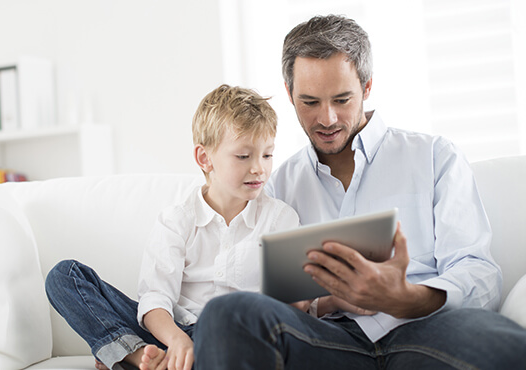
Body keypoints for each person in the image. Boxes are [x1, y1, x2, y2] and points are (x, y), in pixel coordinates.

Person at [193, 15, 526, 369]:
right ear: (289, 94)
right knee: (228, 313)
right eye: (310, 102)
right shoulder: (276, 184)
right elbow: (262, 290)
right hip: (326, 340)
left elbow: (479, 273)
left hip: (426, 326)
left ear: (366, 87)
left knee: (505, 345)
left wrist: (407, 297)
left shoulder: (433, 156)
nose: (328, 119)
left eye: (342, 99)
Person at [44, 84, 300, 370]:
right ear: (205, 158)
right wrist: (178, 341)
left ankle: (129, 356)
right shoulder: (177, 221)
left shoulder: (280, 219)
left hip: (239, 338)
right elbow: (155, 299)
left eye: (267, 155)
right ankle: (138, 353)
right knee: (63, 276)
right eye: (244, 156)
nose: (259, 168)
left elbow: (290, 309)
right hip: (174, 332)